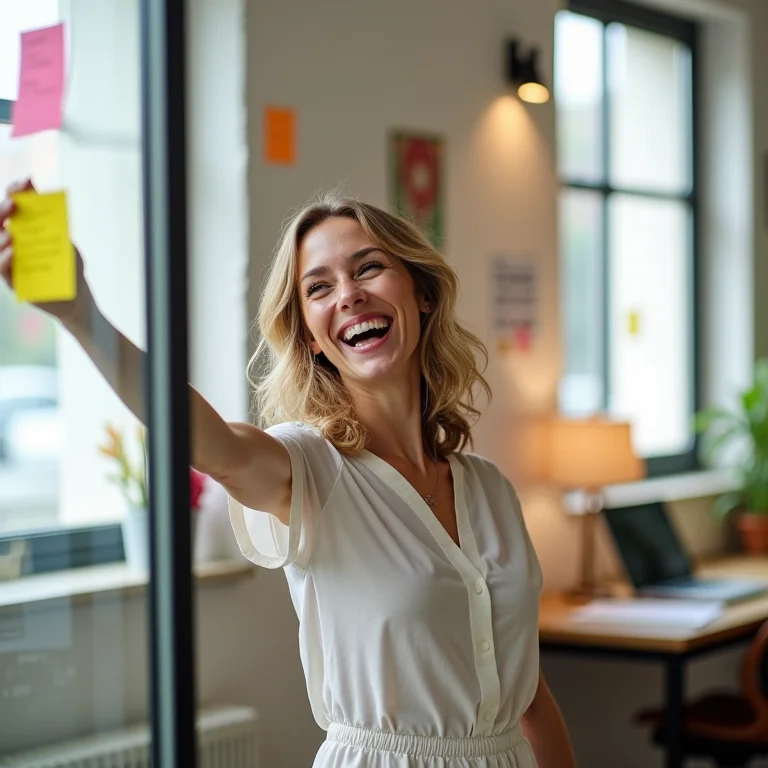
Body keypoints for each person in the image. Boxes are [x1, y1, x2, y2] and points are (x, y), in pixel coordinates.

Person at [0, 179, 577, 768]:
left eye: (369, 268)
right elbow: (215, 446)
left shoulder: (492, 490)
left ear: (421, 293)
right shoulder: (307, 470)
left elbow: (529, 698)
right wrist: (81, 315)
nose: (348, 295)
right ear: (311, 336)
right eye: (319, 287)